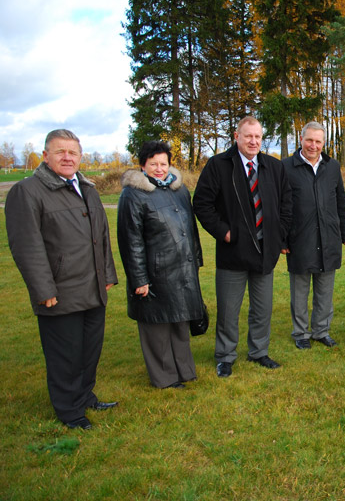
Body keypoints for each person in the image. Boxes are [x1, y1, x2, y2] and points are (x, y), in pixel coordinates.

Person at [5, 129, 118, 430]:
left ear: (80, 157)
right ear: (45, 156)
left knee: (89, 351)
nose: (67, 157)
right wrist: (43, 289)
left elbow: (101, 236)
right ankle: (69, 410)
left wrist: (107, 274)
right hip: (60, 291)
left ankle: (84, 396)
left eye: (73, 152)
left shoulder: (87, 188)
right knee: (65, 355)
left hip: (93, 288)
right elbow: (26, 246)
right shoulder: (27, 192)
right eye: (60, 152)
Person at [193, 116, 292, 377]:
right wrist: (224, 232)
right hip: (233, 252)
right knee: (228, 310)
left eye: (258, 136)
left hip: (265, 253)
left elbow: (287, 205)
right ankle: (225, 356)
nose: (253, 141)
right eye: (248, 136)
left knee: (262, 309)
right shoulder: (218, 165)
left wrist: (278, 235)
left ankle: (259, 351)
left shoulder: (274, 167)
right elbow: (202, 203)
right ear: (236, 136)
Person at [117, 140, 204, 389]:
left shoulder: (179, 190)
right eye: (153, 164)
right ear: (142, 165)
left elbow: (191, 229)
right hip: (154, 273)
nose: (159, 169)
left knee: (179, 322)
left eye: (163, 164)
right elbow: (130, 241)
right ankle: (165, 378)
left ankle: (185, 371)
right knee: (157, 327)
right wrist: (139, 279)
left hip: (181, 269)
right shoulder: (133, 195)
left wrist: (196, 261)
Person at [283, 122, 345, 349]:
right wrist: (282, 239)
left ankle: (321, 331)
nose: (313, 145)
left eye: (318, 141)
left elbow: (340, 200)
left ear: (323, 143)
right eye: (309, 140)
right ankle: (300, 333)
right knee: (300, 291)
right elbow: (280, 207)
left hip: (328, 236)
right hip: (299, 238)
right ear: (301, 140)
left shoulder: (332, 166)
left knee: (325, 289)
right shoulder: (285, 167)